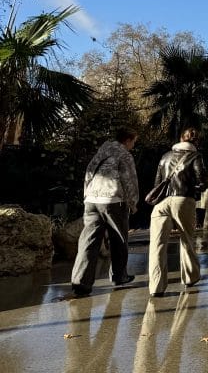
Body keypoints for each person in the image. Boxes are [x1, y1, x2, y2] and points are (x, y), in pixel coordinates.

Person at [70, 127, 139, 297]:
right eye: (134, 142)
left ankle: (81, 282)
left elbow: (89, 172)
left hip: (92, 200)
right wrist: (133, 203)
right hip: (113, 200)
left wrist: (87, 195)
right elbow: (129, 180)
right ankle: (119, 276)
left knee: (88, 241)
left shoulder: (101, 151)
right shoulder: (124, 155)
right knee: (119, 239)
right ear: (128, 140)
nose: (133, 146)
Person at [148, 127, 207, 297]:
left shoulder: (165, 156)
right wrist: (194, 190)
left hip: (161, 204)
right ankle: (190, 277)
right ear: (196, 141)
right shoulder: (196, 156)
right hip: (183, 200)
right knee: (187, 239)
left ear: (181, 139)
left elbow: (157, 182)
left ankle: (156, 287)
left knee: (157, 245)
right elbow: (202, 182)